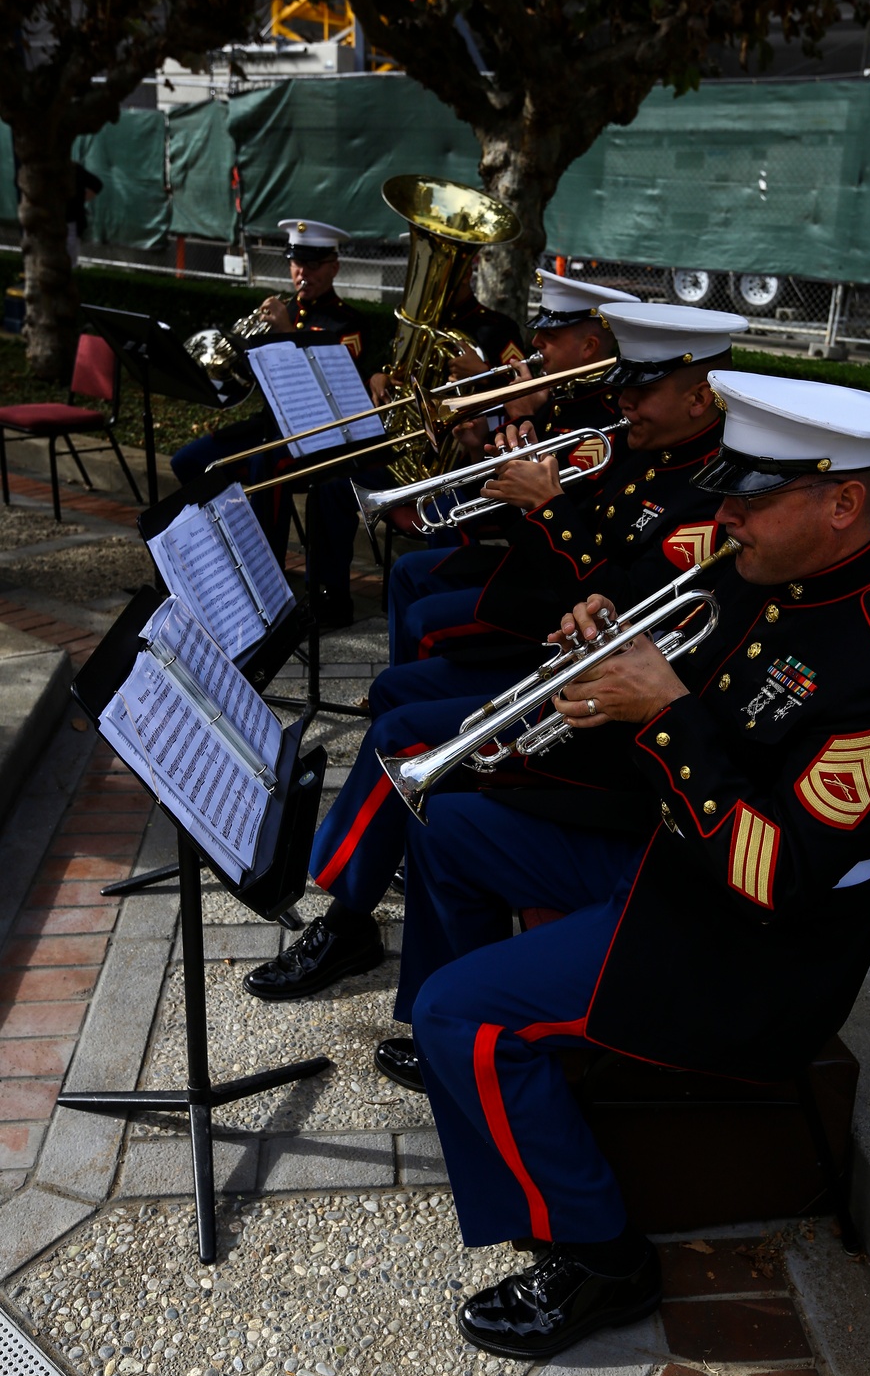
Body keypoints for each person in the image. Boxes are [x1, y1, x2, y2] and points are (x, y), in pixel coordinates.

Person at [376, 371, 870, 1359]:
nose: (722, 518)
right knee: (447, 826)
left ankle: (603, 1258)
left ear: (844, 502)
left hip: (751, 951)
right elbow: (681, 728)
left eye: (751, 500)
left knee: (460, 1013)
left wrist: (667, 715)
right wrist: (598, 672)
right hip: (672, 864)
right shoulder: (755, 573)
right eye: (726, 492)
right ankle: (473, 1079)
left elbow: (774, 881)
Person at [243, 303, 747, 1004]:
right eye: (624, 386)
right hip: (560, 648)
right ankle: (363, 894)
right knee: (398, 695)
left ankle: (347, 916)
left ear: (701, 397)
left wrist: (547, 510)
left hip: (599, 702)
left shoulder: (709, 493)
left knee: (402, 728)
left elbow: (625, 603)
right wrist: (506, 452)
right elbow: (578, 540)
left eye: (641, 391)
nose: (622, 400)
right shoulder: (641, 444)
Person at [386, 269, 640, 667]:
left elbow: (545, 520)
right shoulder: (562, 402)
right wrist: (475, 452)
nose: (535, 343)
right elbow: (504, 512)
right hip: (528, 559)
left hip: (552, 580)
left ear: (590, 347)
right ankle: (409, 685)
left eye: (549, 336)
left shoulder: (603, 419)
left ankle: (415, 692)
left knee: (424, 617)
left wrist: (516, 420)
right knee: (406, 571)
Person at [170, 219, 370, 628]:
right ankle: (224, 567)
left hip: (317, 435)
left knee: (268, 466)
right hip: (270, 425)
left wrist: (285, 332)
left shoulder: (346, 324)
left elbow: (328, 384)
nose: (302, 273)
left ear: (333, 267)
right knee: (189, 463)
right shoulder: (285, 310)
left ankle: (267, 585)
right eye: (296, 263)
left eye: (313, 265)